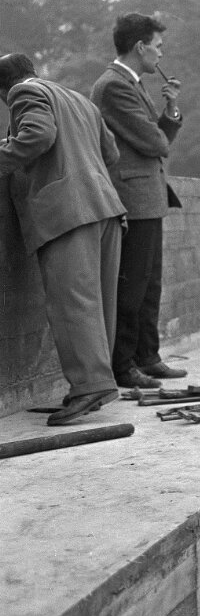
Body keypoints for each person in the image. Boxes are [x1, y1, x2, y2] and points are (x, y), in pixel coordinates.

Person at [0, 54, 125, 425]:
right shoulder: (78, 99)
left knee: (72, 303)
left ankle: (90, 386)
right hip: (105, 207)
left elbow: (38, 135)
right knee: (98, 304)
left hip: (67, 213)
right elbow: (111, 153)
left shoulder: (24, 94)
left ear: (5, 89)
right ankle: (95, 383)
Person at [91, 13, 186, 390]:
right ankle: (123, 365)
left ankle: (147, 356)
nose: (161, 56)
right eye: (158, 47)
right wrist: (162, 129)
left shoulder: (132, 84)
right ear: (140, 47)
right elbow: (156, 143)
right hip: (132, 196)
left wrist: (172, 109)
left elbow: (156, 137)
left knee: (149, 284)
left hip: (148, 197)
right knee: (131, 286)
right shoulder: (114, 87)